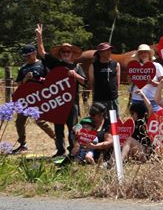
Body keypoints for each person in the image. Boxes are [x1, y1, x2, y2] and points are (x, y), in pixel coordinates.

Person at [36, 24, 87, 158]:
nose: (65, 53)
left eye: (68, 52)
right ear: (60, 54)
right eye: (63, 52)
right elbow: (41, 52)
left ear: (72, 54)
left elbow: (85, 82)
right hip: (58, 102)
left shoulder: (76, 67)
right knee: (58, 128)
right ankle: (60, 150)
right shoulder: (55, 64)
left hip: (72, 103)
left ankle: (73, 151)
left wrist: (75, 75)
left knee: (73, 128)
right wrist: (39, 36)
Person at [11, 44, 51, 154]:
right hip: (26, 99)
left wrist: (37, 78)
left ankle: (57, 140)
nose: (27, 58)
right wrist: (25, 78)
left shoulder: (42, 65)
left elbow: (50, 81)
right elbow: (19, 83)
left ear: (35, 53)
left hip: (39, 97)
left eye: (29, 55)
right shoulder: (23, 68)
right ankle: (22, 144)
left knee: (41, 121)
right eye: (25, 56)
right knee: (19, 122)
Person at [128, 44, 163, 114]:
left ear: (149, 54)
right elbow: (130, 82)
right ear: (138, 55)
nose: (143, 54)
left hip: (152, 100)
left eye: (145, 52)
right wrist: (130, 79)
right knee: (138, 122)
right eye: (141, 53)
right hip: (136, 99)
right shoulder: (134, 66)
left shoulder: (157, 66)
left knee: (153, 121)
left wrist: (152, 82)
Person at [90, 42, 120, 114]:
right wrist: (95, 94)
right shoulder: (93, 66)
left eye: (110, 50)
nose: (109, 52)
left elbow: (117, 82)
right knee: (98, 121)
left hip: (112, 99)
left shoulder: (116, 64)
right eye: (106, 50)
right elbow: (92, 82)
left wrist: (115, 95)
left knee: (113, 122)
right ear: (100, 53)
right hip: (98, 99)